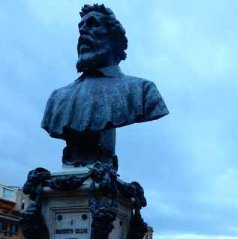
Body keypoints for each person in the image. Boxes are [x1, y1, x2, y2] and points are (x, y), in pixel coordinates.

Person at [42, 4, 169, 167]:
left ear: (114, 39)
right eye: (81, 28)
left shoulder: (142, 90)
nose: (83, 32)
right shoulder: (57, 98)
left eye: (93, 24)